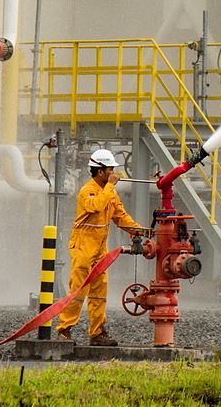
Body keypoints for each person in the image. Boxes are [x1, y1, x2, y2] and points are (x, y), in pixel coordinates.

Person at [56, 148, 142, 345]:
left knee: (99, 291)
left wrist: (139, 230)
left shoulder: (108, 193)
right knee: (78, 291)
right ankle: (64, 329)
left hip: (99, 248)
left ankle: (97, 332)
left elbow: (120, 216)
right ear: (100, 171)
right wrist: (110, 187)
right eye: (111, 169)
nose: (114, 174)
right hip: (83, 245)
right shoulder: (88, 190)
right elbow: (96, 206)